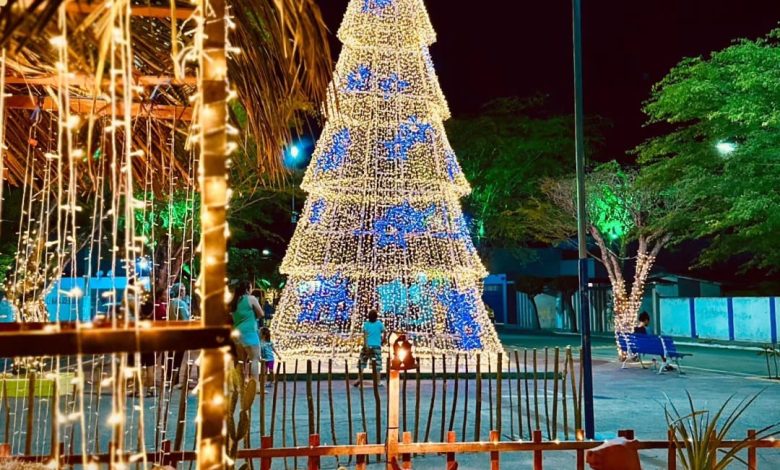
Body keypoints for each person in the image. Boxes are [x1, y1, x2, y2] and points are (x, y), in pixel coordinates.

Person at [231, 281, 264, 381]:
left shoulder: (234, 301)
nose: (251, 290)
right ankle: (255, 385)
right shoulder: (251, 299)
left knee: (241, 361)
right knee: (254, 359)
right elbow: (261, 314)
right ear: (247, 289)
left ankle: (240, 385)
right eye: (250, 288)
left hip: (237, 334)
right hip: (249, 333)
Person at [354, 309, 385, 387]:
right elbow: (385, 332)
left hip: (367, 346)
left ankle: (359, 379)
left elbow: (365, 336)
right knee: (377, 365)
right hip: (376, 346)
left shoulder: (366, 324)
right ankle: (378, 381)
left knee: (362, 363)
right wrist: (383, 340)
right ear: (376, 317)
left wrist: (365, 345)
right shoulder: (379, 324)